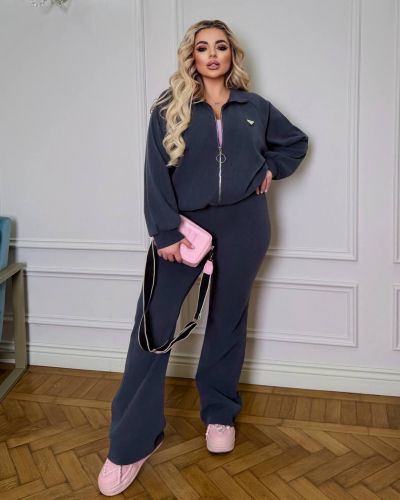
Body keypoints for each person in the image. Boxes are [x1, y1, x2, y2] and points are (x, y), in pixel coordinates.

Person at [98, 19, 309, 496]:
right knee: (153, 328)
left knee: (227, 320)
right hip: (184, 228)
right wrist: (164, 231)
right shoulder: (169, 107)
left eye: (220, 47)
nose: (212, 55)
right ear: (191, 56)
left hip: (245, 225)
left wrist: (270, 169)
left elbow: (296, 144)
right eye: (202, 48)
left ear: (232, 54)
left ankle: (218, 414)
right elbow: (154, 172)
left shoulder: (255, 108)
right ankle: (129, 443)